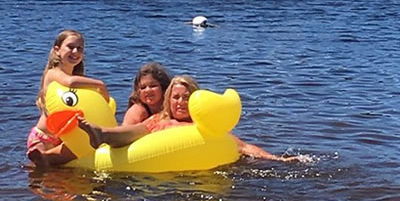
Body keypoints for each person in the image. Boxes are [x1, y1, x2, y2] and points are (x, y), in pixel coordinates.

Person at [78, 76, 303, 162]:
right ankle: (102, 134)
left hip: (182, 167)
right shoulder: (159, 119)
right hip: (145, 148)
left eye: (186, 98)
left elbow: (241, 146)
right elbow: (135, 131)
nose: (180, 102)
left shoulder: (202, 126)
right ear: (168, 100)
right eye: (175, 97)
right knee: (137, 130)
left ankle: (103, 134)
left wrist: (277, 159)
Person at [27, 29, 110, 168]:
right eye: (70, 47)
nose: (75, 52)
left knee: (60, 181)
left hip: (63, 138)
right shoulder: (53, 73)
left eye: (80, 49)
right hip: (44, 137)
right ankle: (45, 158)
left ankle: (47, 160)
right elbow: (69, 82)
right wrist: (100, 85)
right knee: (41, 179)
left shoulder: (79, 79)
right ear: (57, 50)